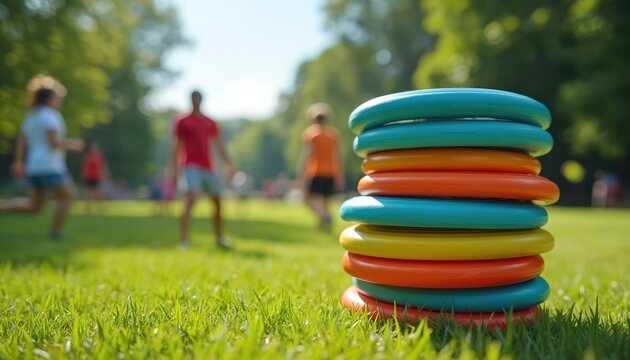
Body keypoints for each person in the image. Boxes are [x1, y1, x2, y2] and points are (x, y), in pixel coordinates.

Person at [0, 77, 84, 239]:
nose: (60, 101)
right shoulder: (50, 115)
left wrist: (18, 162)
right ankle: (56, 232)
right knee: (68, 195)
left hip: (34, 166)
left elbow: (22, 140)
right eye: (58, 98)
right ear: (49, 99)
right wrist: (73, 144)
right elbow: (54, 142)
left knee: (34, 207)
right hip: (49, 166)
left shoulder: (31, 116)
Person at [169, 90, 234, 249]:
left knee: (217, 200)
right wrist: (173, 169)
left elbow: (219, 145)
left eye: (198, 99)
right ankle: (183, 241)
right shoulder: (182, 121)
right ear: (190, 100)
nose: (196, 101)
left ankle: (219, 238)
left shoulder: (209, 122)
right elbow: (176, 146)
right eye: (194, 99)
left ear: (201, 100)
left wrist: (228, 164)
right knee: (191, 198)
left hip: (208, 166)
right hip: (190, 165)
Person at [300, 102, 344, 231]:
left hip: (316, 172)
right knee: (325, 202)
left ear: (312, 118)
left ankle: (324, 217)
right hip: (331, 173)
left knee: (307, 199)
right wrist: (340, 175)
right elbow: (339, 156)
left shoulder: (311, 134)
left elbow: (308, 155)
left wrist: (302, 175)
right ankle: (323, 225)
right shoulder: (333, 134)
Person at [81, 141, 109, 213]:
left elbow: (104, 166)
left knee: (99, 193)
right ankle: (88, 209)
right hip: (89, 176)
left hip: (97, 176)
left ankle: (100, 208)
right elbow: (85, 166)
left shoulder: (100, 155)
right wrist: (84, 174)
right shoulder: (88, 156)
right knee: (89, 193)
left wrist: (105, 174)